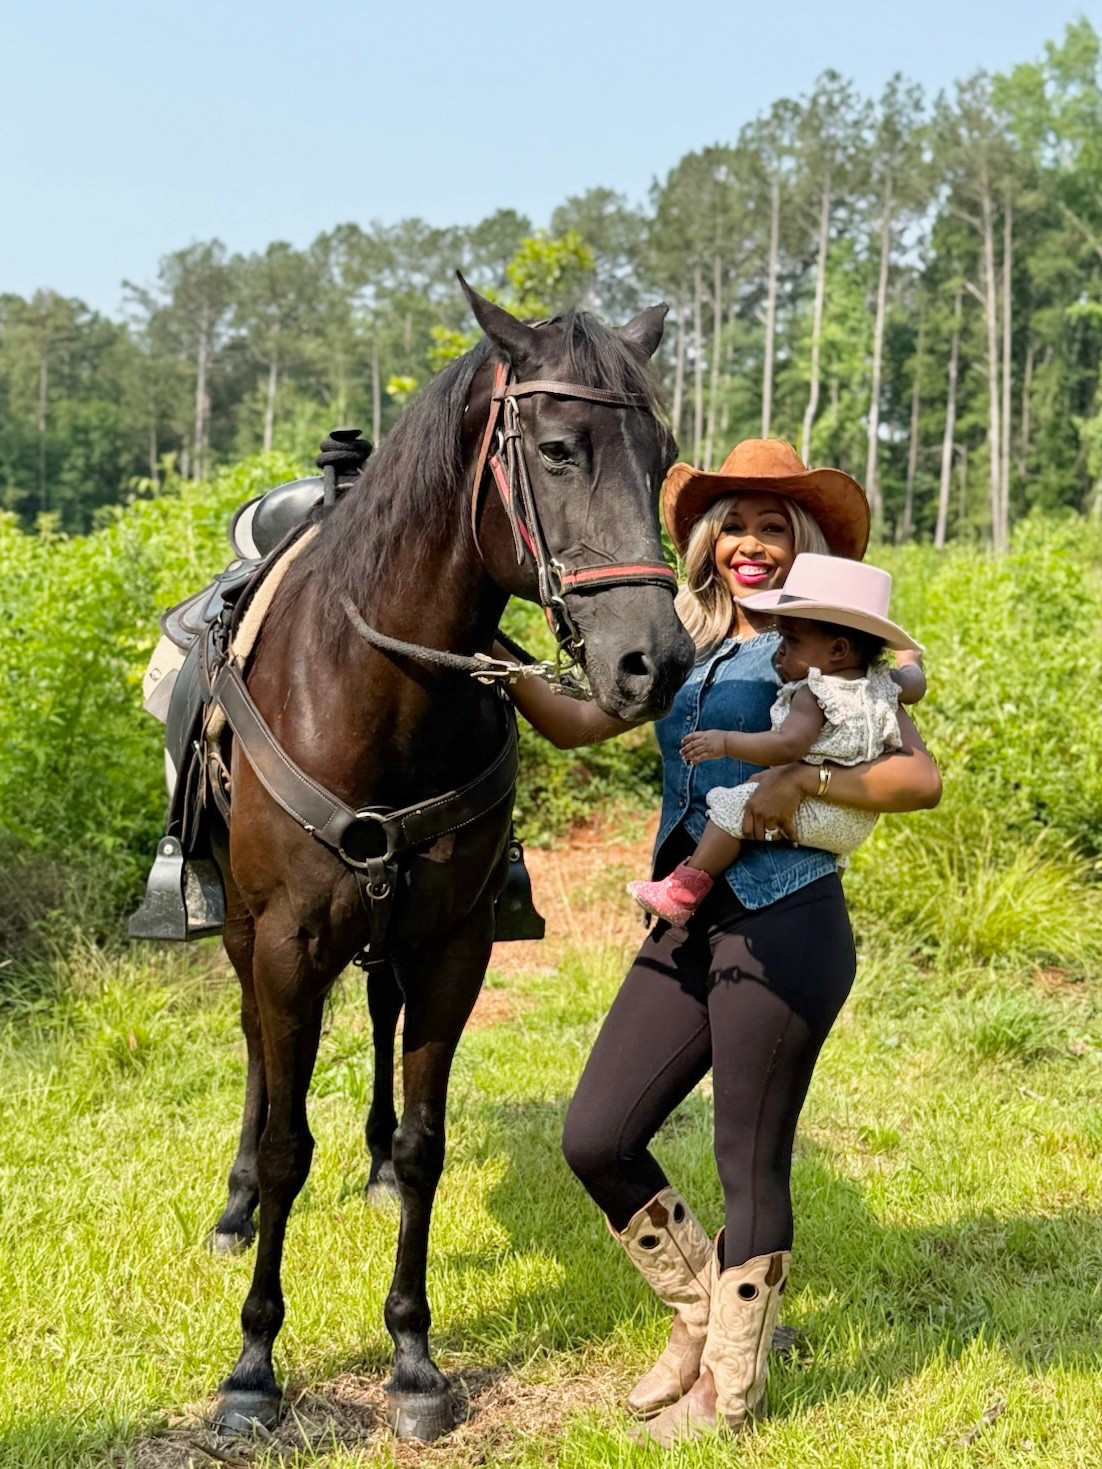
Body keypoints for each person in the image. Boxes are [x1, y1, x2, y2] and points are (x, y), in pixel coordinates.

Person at [498, 438, 941, 1445]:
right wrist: (499, 670)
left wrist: (802, 786)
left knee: (750, 1160)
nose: (749, 544)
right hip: (687, 922)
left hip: (786, 920)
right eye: (733, 525)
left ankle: (725, 1393)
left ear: (804, 545)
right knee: (597, 1134)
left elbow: (918, 780)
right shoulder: (684, 643)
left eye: (772, 528)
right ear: (705, 542)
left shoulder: (830, 646)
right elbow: (577, 723)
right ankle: (699, 1316)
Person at [627, 552, 924, 926]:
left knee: (734, 805)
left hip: (815, 810)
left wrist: (726, 742)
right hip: (855, 818)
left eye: (793, 641)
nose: (780, 649)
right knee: (755, 788)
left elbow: (788, 745)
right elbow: (916, 684)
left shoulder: (813, 694)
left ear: (837, 650)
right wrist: (910, 656)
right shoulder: (881, 682)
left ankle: (685, 888)